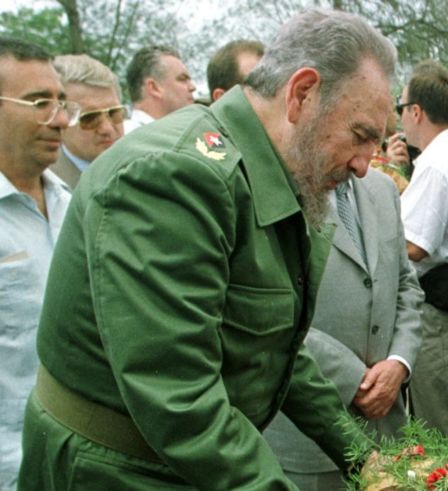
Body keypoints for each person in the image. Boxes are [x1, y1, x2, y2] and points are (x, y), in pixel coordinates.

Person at [17, 9, 396, 489]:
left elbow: (273, 348)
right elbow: (178, 395)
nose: (366, 166)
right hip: (116, 470)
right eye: (361, 135)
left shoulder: (268, 176)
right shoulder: (178, 176)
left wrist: (363, 458)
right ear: (302, 93)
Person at [263, 166, 424, 490]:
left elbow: (406, 284)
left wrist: (399, 362)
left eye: (373, 139)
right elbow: (273, 314)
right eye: (358, 135)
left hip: (386, 428)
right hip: (308, 443)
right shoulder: (273, 190)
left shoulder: (381, 188)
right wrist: (354, 378)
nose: (365, 162)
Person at [0, 36, 78, 491]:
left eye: (60, 102)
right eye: (38, 102)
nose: (62, 119)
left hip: (76, 465)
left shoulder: (72, 206)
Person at [396, 59, 448, 444]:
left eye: (401, 108)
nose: (401, 119)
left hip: (438, 312)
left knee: (443, 429)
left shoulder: (438, 163)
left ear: (416, 111)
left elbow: (414, 245)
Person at [49, 54, 124, 188]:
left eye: (113, 113)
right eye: (90, 118)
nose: (107, 128)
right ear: (60, 119)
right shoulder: (47, 185)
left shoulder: (145, 168)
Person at [123, 45, 195, 132]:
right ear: (154, 88)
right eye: (182, 79)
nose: (193, 87)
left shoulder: (179, 133)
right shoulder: (125, 137)